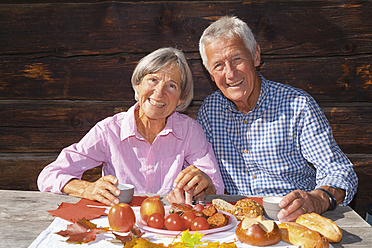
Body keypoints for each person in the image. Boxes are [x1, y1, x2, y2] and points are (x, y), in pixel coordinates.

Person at [193, 16, 358, 222]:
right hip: (235, 224)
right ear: (209, 73)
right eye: (218, 65)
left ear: (255, 56)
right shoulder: (210, 111)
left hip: (295, 220)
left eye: (237, 59)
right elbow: (203, 174)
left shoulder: (297, 105)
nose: (231, 73)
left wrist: (317, 199)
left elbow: (338, 170)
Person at [38, 47, 224, 206]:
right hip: (119, 225)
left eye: (171, 86)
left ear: (181, 99)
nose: (159, 92)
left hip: (170, 227)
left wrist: (203, 183)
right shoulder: (109, 131)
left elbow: (215, 184)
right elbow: (50, 174)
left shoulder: (190, 131)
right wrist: (87, 188)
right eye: (153, 80)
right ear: (138, 84)